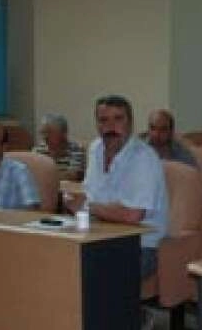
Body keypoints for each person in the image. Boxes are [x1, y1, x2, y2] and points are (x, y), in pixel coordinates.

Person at [66, 95, 168, 281]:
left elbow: (132, 215)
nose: (110, 127)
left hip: (140, 246)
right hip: (99, 236)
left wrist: (87, 206)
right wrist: (74, 201)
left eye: (118, 119)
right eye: (103, 120)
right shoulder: (95, 148)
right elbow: (89, 194)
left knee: (87, 275)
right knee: (55, 259)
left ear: (130, 123)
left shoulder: (144, 158)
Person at [32, 114, 86, 181]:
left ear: (63, 134)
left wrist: (44, 175)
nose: (45, 137)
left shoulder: (76, 149)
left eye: (49, 132)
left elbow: (73, 175)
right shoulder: (38, 150)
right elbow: (33, 174)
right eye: (43, 132)